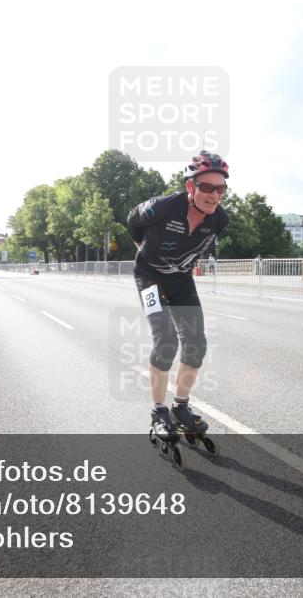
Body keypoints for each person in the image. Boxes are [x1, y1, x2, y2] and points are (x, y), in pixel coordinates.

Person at [126, 151, 230, 444]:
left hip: (181, 280)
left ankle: (180, 406)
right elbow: (133, 221)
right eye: (207, 187)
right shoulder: (160, 208)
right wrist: (142, 246)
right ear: (190, 186)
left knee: (196, 343)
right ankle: (158, 411)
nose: (214, 195)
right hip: (149, 278)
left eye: (221, 188)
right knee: (166, 340)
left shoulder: (220, 220)